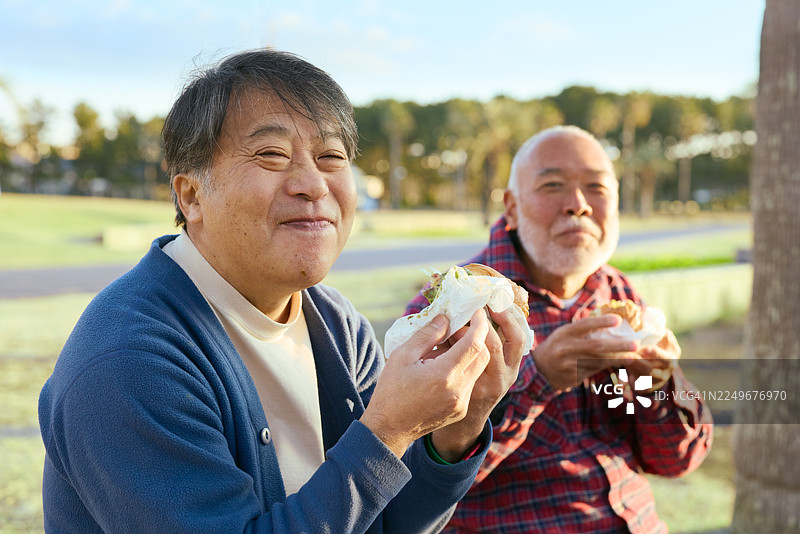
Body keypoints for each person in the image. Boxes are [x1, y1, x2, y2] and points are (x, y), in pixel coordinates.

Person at [38, 49, 527, 534]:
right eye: (271, 155)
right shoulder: (132, 360)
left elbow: (388, 522)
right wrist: (387, 431)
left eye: (331, 156)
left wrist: (461, 424)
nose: (313, 184)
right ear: (191, 196)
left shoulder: (337, 325)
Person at [405, 125, 713, 533]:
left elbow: (676, 460)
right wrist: (541, 376)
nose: (579, 205)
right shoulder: (454, 302)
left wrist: (659, 387)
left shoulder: (619, 292)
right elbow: (418, 483)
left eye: (597, 188)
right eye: (553, 185)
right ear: (511, 207)